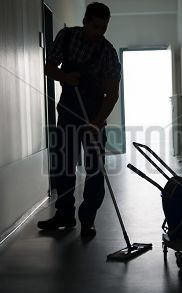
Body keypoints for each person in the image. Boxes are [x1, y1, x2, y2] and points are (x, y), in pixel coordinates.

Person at [38, 2, 121, 237]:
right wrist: (65, 76)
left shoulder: (108, 52)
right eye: (96, 26)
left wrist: (97, 122)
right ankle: (65, 215)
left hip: (94, 114)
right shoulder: (66, 38)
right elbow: (48, 68)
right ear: (85, 21)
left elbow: (112, 93)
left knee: (94, 170)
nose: (100, 33)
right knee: (64, 167)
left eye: (104, 28)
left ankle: (87, 219)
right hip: (68, 111)